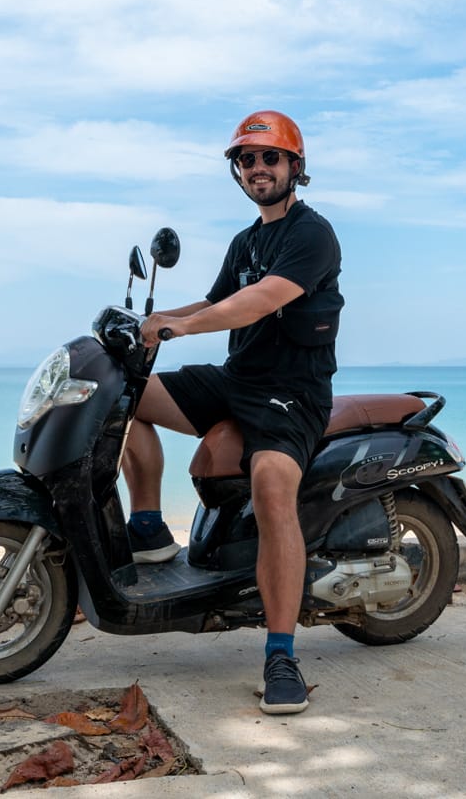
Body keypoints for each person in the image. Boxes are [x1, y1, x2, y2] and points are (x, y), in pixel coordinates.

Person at [123, 108, 343, 716]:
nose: (257, 168)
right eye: (247, 160)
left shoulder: (312, 234)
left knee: (272, 485)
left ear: (294, 166)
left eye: (270, 157)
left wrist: (184, 326)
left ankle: (280, 652)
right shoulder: (245, 240)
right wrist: (152, 320)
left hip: (291, 391)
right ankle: (146, 530)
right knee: (121, 397)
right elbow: (217, 299)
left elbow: (256, 302)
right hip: (236, 380)